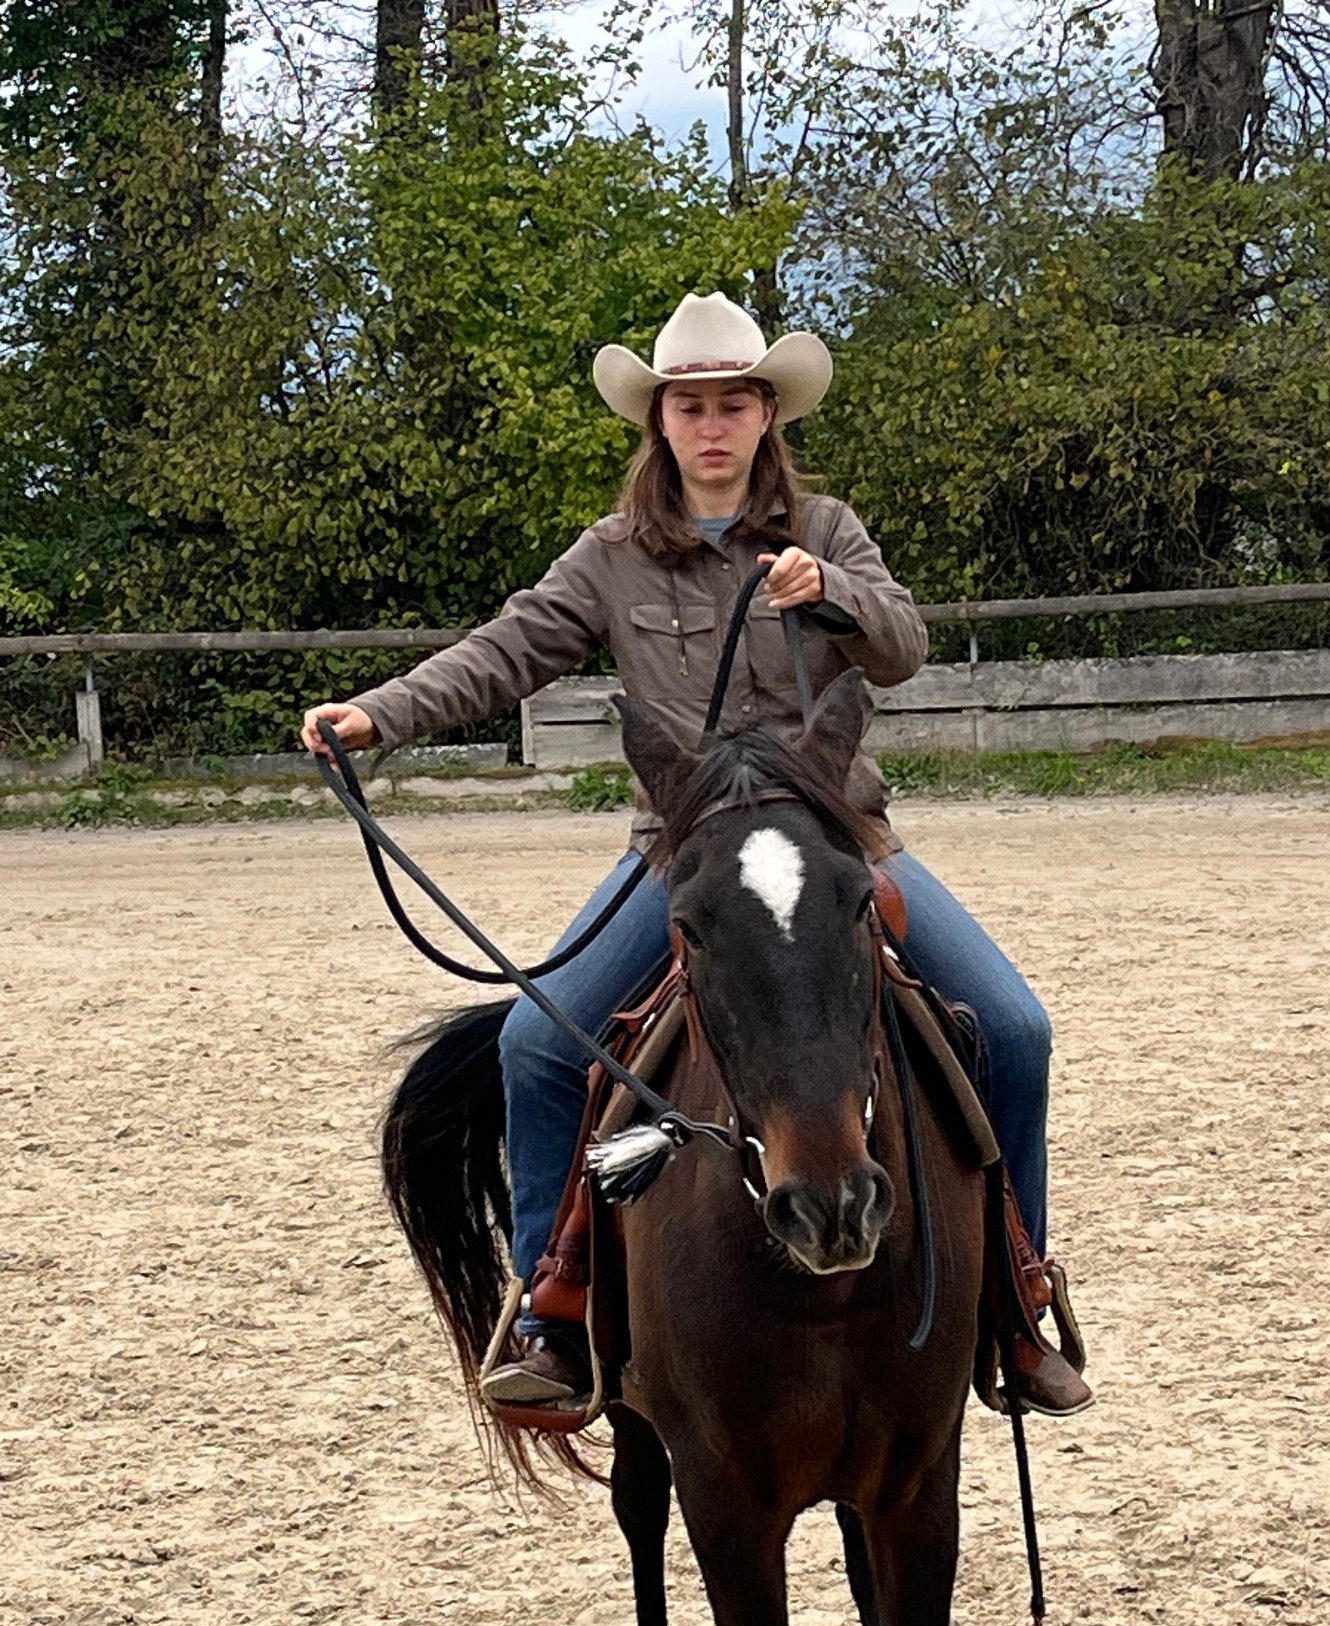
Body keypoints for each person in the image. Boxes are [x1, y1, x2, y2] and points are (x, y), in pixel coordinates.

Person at [301, 290, 1093, 1417]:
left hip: (835, 844)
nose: (712, 426)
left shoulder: (827, 532)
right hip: (688, 855)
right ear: (659, 423)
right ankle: (555, 1306)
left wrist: (837, 594)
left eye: (733, 404)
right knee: (534, 1042)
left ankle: (1015, 1297)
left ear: (768, 416)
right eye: (690, 407)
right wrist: (376, 716)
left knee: (1014, 1030)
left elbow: (906, 646)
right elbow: (505, 650)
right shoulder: (611, 558)